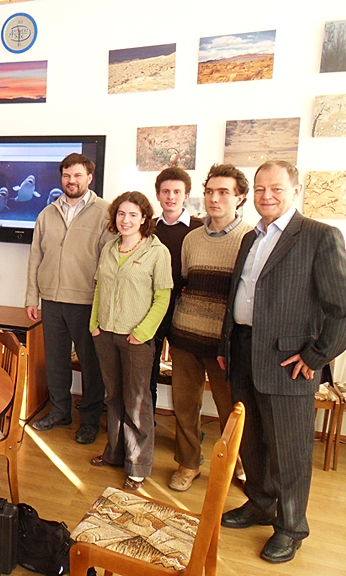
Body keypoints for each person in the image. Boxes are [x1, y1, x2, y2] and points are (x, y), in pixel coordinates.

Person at [218, 160, 346, 563]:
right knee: (252, 443)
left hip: (289, 363)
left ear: (295, 191)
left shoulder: (319, 236)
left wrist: (317, 354)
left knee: (290, 452)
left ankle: (291, 527)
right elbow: (240, 295)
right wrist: (227, 343)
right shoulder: (251, 237)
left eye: (276, 188)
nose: (267, 196)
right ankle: (260, 505)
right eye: (260, 189)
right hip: (244, 352)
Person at [166, 164, 251, 491]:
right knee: (185, 408)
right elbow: (185, 282)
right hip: (185, 337)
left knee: (232, 410)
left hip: (224, 345)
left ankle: (239, 464)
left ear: (239, 198)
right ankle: (188, 464)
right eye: (210, 191)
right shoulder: (191, 239)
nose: (214, 198)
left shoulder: (251, 239)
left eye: (224, 192)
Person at [25, 153, 114, 445]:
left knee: (91, 365)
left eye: (77, 175)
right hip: (51, 300)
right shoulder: (47, 213)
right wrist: (32, 298)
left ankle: (89, 420)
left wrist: (103, 305)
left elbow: (109, 262)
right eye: (66, 175)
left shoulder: (106, 213)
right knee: (55, 362)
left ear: (89, 178)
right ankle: (60, 412)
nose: (71, 181)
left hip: (87, 302)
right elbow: (35, 258)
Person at [89, 191, 173, 490]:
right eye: (121, 213)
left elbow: (162, 297)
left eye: (133, 215)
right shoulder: (109, 248)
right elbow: (99, 289)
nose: (126, 220)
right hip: (105, 334)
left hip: (136, 339)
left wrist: (143, 333)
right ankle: (114, 453)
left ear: (144, 218)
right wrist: (94, 324)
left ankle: (137, 466)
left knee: (137, 402)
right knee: (113, 396)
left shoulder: (157, 252)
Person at [149, 167, 204, 413]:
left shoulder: (199, 228)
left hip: (185, 312)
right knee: (148, 371)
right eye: (165, 191)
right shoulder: (148, 228)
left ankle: (187, 430)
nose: (171, 196)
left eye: (177, 192)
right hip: (153, 310)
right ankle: (146, 423)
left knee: (187, 377)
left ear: (186, 196)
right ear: (158, 195)